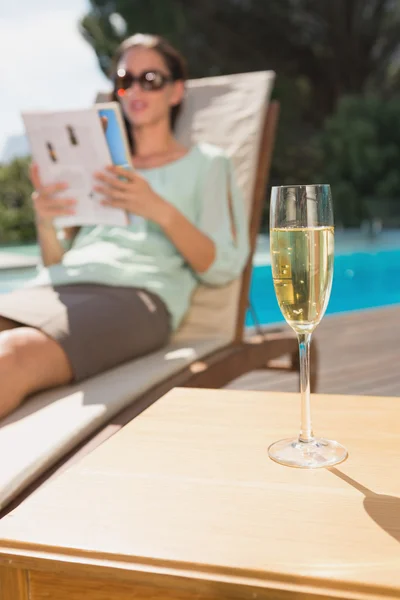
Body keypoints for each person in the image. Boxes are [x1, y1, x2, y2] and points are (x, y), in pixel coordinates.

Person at [0, 33, 249, 420]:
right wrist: (46, 220)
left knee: (9, 357)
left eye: (149, 79)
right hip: (58, 286)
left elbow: (223, 267)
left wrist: (158, 209)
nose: (135, 89)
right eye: (124, 80)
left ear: (176, 91)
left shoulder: (207, 163)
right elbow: (54, 261)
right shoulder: (98, 166)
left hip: (135, 297)